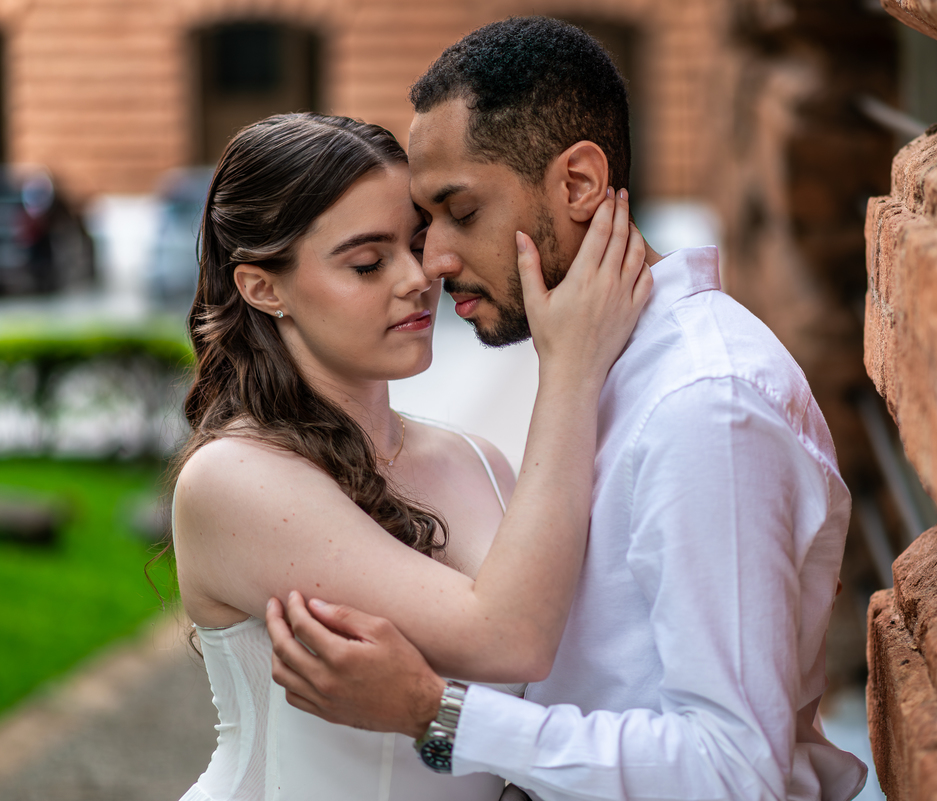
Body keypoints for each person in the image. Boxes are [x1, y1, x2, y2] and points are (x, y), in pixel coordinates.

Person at [266, 16, 869, 801]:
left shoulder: (705, 408)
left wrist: (433, 711)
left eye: (462, 211)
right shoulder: (606, 369)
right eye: (426, 223)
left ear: (578, 184)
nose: (436, 260)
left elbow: (731, 771)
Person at [170, 110, 651, 801]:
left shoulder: (479, 461)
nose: (416, 277)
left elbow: (560, 690)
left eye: (417, 242)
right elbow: (508, 636)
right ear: (263, 288)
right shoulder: (234, 478)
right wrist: (570, 367)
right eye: (367, 261)